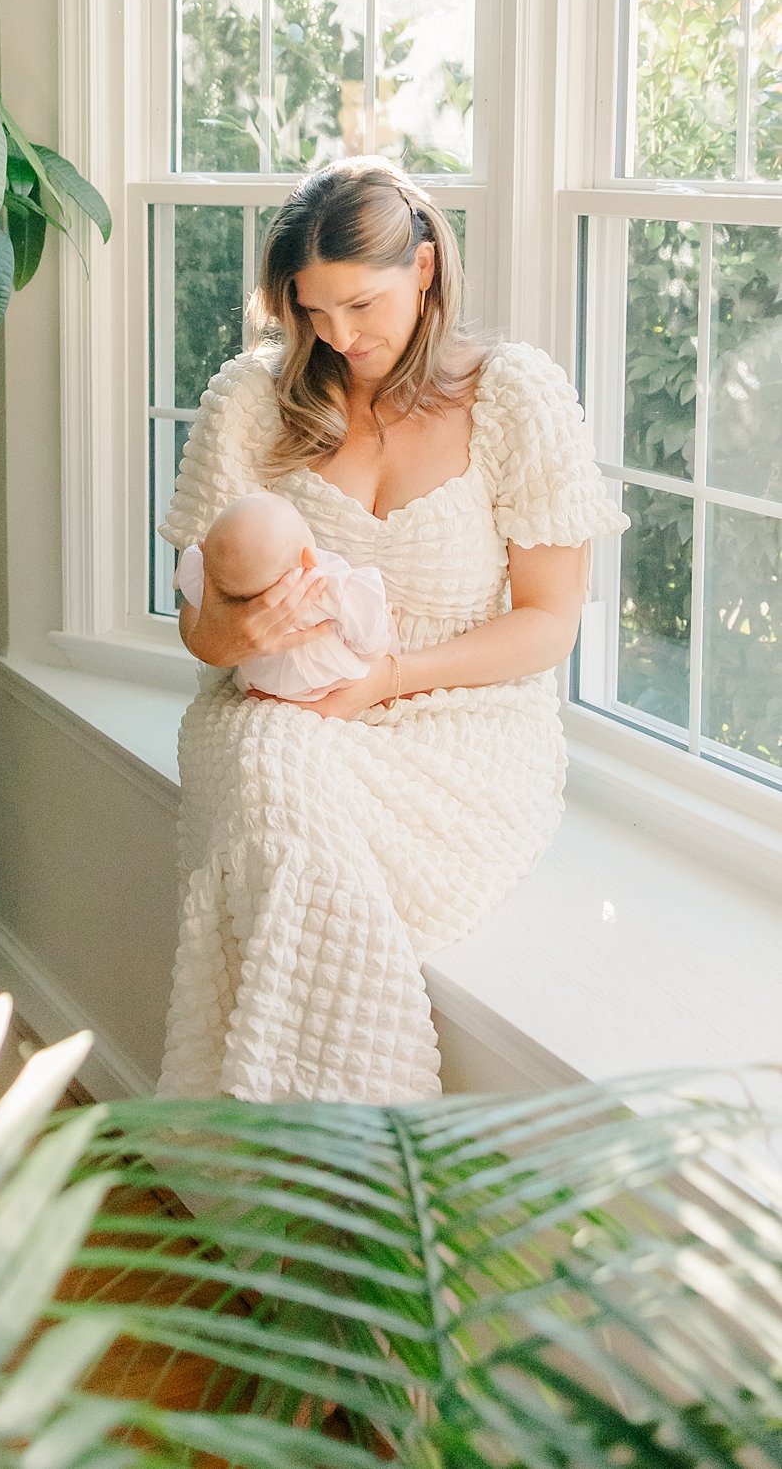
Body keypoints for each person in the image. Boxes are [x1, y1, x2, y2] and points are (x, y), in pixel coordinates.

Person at [159, 156, 626, 1104]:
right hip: (280, 711)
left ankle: (290, 1148)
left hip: (462, 722)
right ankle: (362, 1131)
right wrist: (242, 636)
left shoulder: (511, 396)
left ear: (423, 270)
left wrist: (390, 678)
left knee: (287, 824)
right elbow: (199, 632)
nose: (338, 336)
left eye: (362, 306)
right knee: (272, 777)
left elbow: (547, 627)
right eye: (312, 311)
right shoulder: (255, 397)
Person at [174, 491, 397, 703]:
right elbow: (370, 644)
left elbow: (197, 598)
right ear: (308, 557)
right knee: (382, 631)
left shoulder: (212, 576)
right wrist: (382, 637)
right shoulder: (330, 586)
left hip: (258, 683)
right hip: (328, 683)